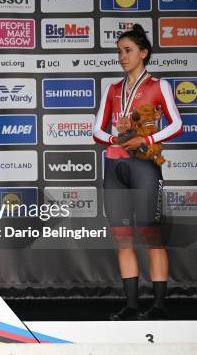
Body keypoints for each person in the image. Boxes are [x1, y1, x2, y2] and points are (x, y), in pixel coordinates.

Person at [93, 24, 183, 320]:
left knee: (151, 236)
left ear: (144, 53)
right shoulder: (113, 89)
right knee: (122, 239)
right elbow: (97, 130)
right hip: (114, 165)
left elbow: (177, 124)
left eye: (128, 50)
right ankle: (131, 305)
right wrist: (114, 139)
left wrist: (145, 139)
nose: (122, 56)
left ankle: (158, 305)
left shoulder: (159, 86)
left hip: (144, 163)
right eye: (119, 51)